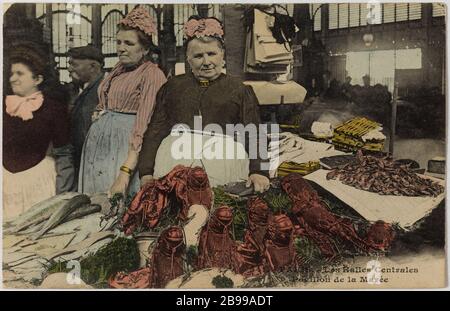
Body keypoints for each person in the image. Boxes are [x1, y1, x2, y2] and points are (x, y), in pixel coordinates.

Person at [138, 16, 270, 193]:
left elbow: (253, 132)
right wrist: (145, 171)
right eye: (198, 56)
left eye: (212, 54)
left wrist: (258, 171)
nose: (206, 62)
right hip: (174, 161)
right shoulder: (173, 87)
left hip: (223, 162)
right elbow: (156, 129)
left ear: (222, 55)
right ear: (188, 59)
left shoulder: (238, 89)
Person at [77, 6, 167, 196]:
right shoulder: (118, 69)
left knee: (117, 204)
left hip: (125, 149)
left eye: (129, 43)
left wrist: (125, 172)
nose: (121, 48)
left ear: (145, 49)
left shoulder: (152, 74)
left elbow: (144, 126)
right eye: (118, 42)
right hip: (101, 149)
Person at [3, 45, 75, 220]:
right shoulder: (4, 106)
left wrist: (62, 195)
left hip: (39, 183)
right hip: (5, 183)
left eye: (20, 74)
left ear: (37, 79)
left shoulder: (53, 108)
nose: (13, 79)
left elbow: (64, 153)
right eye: (12, 74)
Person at [67, 45, 105, 187]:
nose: (70, 69)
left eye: (74, 64)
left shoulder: (102, 91)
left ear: (93, 66)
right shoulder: (78, 89)